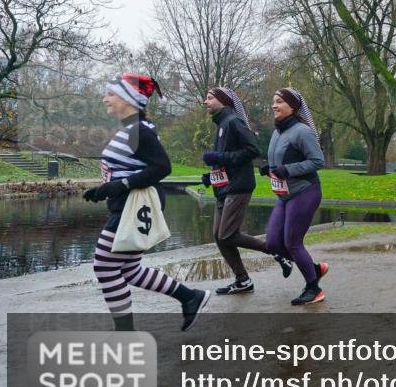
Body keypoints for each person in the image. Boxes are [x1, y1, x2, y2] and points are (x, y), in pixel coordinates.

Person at [84, 73, 209, 331]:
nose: (105, 98)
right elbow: (128, 168)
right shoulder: (132, 129)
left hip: (133, 206)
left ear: (129, 99)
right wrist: (105, 189)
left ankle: (125, 334)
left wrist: (119, 185)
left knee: (105, 267)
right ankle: (189, 297)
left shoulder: (138, 130)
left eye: (111, 94)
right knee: (129, 270)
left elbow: (162, 167)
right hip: (126, 205)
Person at [201, 87, 288, 295]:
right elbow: (225, 158)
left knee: (227, 234)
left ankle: (277, 251)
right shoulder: (221, 123)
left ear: (223, 101)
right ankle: (243, 280)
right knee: (218, 235)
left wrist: (219, 159)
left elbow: (252, 150)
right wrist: (211, 175)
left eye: (210, 98)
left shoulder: (233, 122)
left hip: (239, 186)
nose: (206, 102)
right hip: (223, 187)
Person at [261, 87, 330, 305]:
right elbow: (279, 161)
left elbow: (318, 161)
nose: (274, 105)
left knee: (292, 242)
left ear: (292, 106)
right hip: (284, 194)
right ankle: (315, 268)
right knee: (272, 242)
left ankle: (314, 288)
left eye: (279, 101)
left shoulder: (303, 131)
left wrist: (289, 170)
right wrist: (269, 168)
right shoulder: (276, 132)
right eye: (273, 101)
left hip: (305, 191)